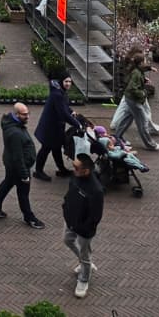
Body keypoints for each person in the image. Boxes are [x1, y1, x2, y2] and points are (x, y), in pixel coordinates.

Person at [0, 101, 43, 227]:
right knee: (23, 192)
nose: (28, 116)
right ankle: (29, 217)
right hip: (19, 167)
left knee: (7, 184)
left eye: (28, 113)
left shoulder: (13, 124)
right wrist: (24, 175)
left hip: (12, 165)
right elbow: (18, 157)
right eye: (24, 114)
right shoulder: (15, 133)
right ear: (17, 114)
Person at [62, 152, 105, 300]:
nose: (73, 169)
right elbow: (68, 194)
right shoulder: (76, 176)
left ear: (86, 170)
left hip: (84, 230)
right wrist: (65, 208)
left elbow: (95, 216)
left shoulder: (96, 190)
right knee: (67, 240)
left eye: (76, 167)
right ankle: (85, 262)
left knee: (85, 255)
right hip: (70, 221)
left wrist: (85, 228)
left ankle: (84, 279)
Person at [32, 78, 76, 179]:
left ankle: (61, 169)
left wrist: (71, 111)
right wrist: (77, 124)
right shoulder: (58, 95)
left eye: (70, 82)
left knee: (56, 148)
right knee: (46, 148)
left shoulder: (60, 93)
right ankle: (38, 171)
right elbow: (63, 113)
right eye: (66, 81)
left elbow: (64, 107)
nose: (68, 84)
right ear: (61, 82)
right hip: (50, 127)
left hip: (54, 126)